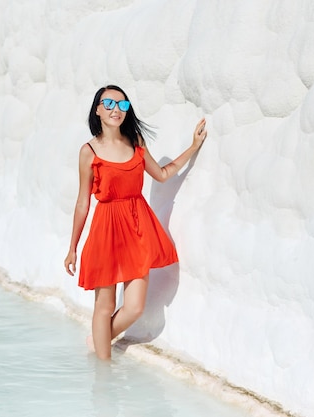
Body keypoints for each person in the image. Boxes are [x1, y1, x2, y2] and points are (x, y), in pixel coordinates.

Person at [64, 85, 207, 360]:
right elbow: (83, 202)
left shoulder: (136, 142)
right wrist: (73, 247)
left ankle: (98, 341)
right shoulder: (88, 151)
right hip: (106, 229)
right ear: (97, 109)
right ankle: (102, 376)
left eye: (123, 105)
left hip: (137, 228)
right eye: (109, 103)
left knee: (134, 307)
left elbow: (163, 174)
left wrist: (193, 147)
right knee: (104, 307)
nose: (116, 109)